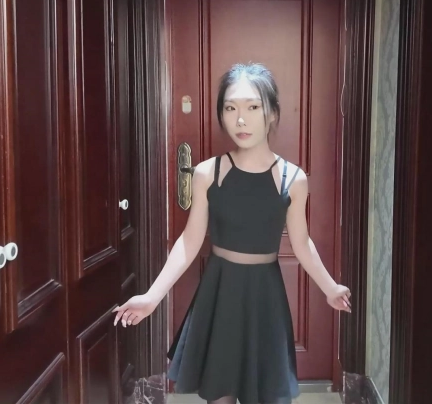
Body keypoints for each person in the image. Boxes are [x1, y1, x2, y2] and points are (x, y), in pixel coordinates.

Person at [113, 63, 351, 404]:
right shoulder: (208, 172)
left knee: (264, 393)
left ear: (272, 113)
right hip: (220, 291)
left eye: (253, 107)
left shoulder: (293, 178)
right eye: (230, 108)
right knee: (219, 392)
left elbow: (302, 243)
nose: (240, 119)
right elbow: (189, 241)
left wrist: (330, 288)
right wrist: (151, 297)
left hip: (265, 297)